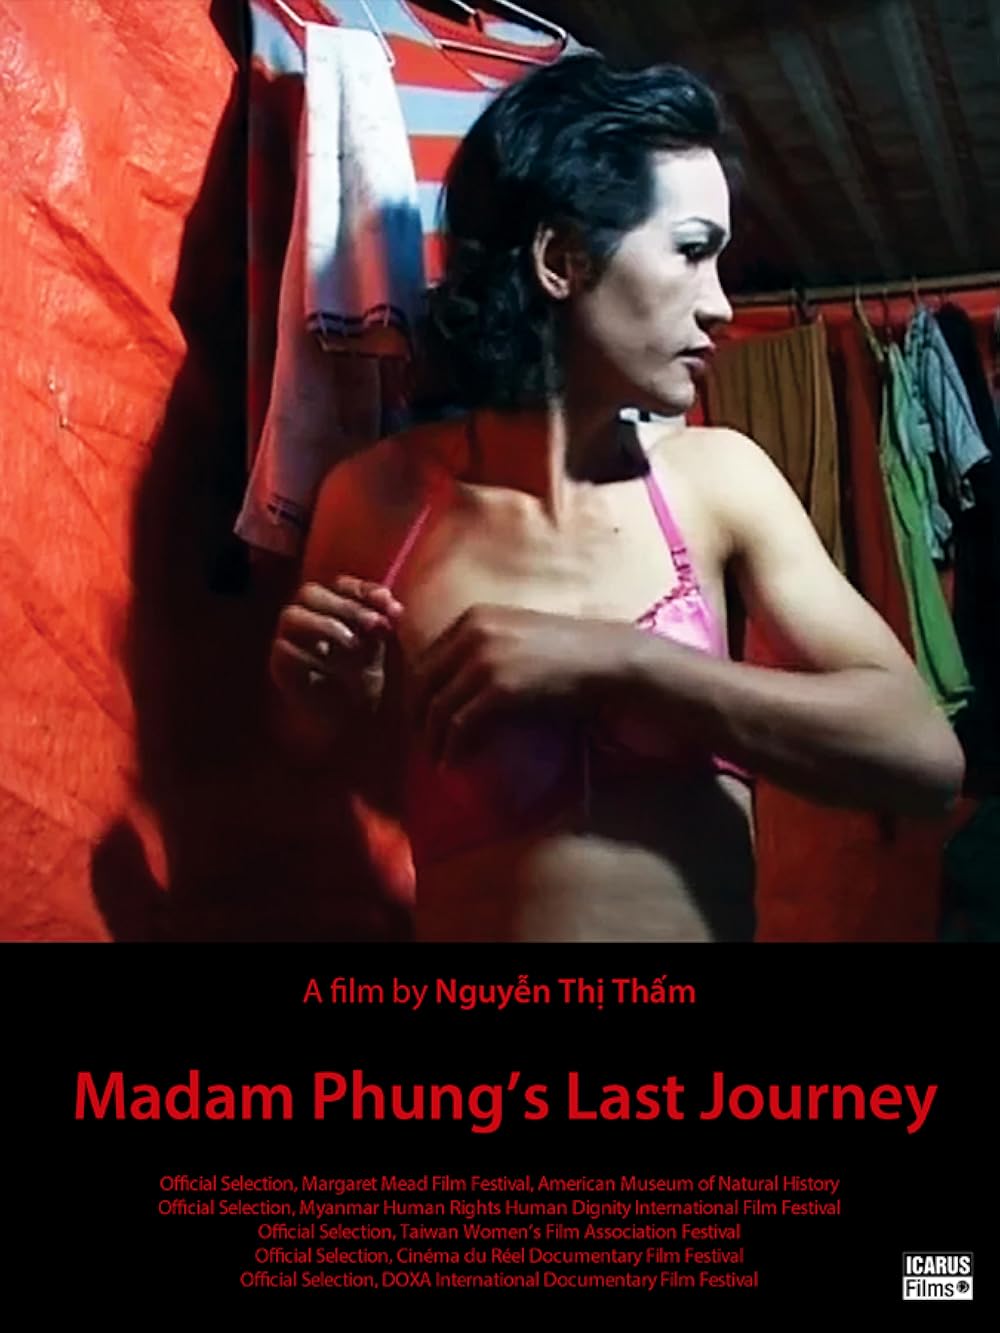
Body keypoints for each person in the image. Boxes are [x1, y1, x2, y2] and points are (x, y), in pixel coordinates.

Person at [269, 54, 964, 943]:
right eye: (692, 251)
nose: (721, 306)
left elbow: (924, 757)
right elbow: (318, 761)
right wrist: (321, 702)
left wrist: (623, 661)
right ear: (562, 259)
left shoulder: (719, 479)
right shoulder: (376, 501)